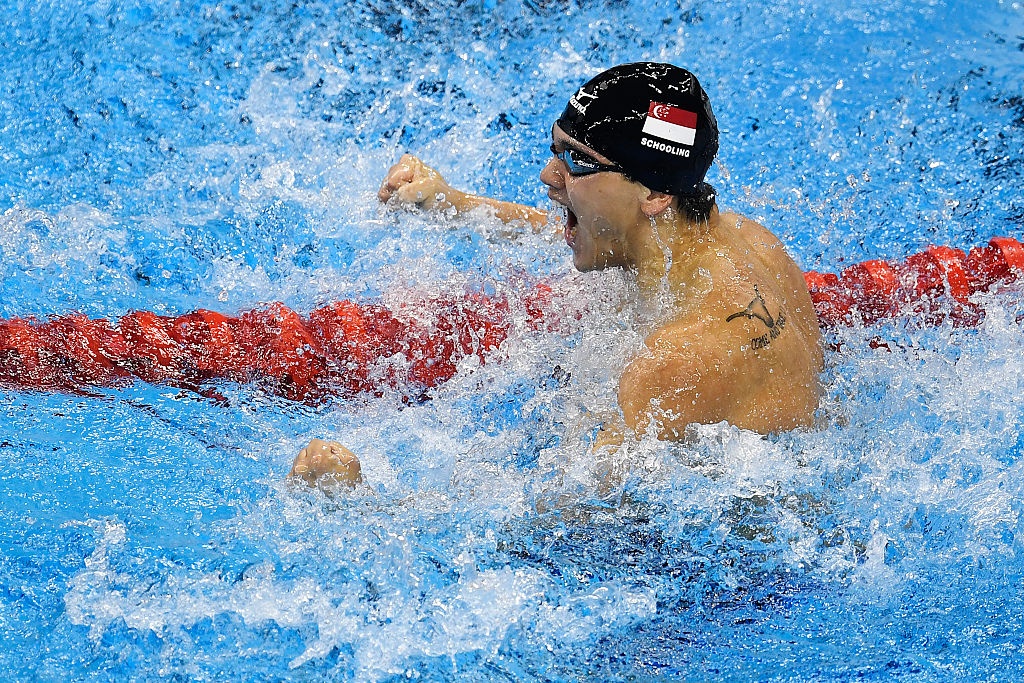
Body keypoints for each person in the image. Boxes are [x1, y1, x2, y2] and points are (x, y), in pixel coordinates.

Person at [289, 62, 823, 490]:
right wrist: (454, 203)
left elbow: (551, 523)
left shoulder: (672, 362)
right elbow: (589, 231)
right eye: (556, 151)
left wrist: (357, 499)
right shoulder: (744, 239)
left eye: (577, 162)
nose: (549, 175)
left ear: (655, 193)